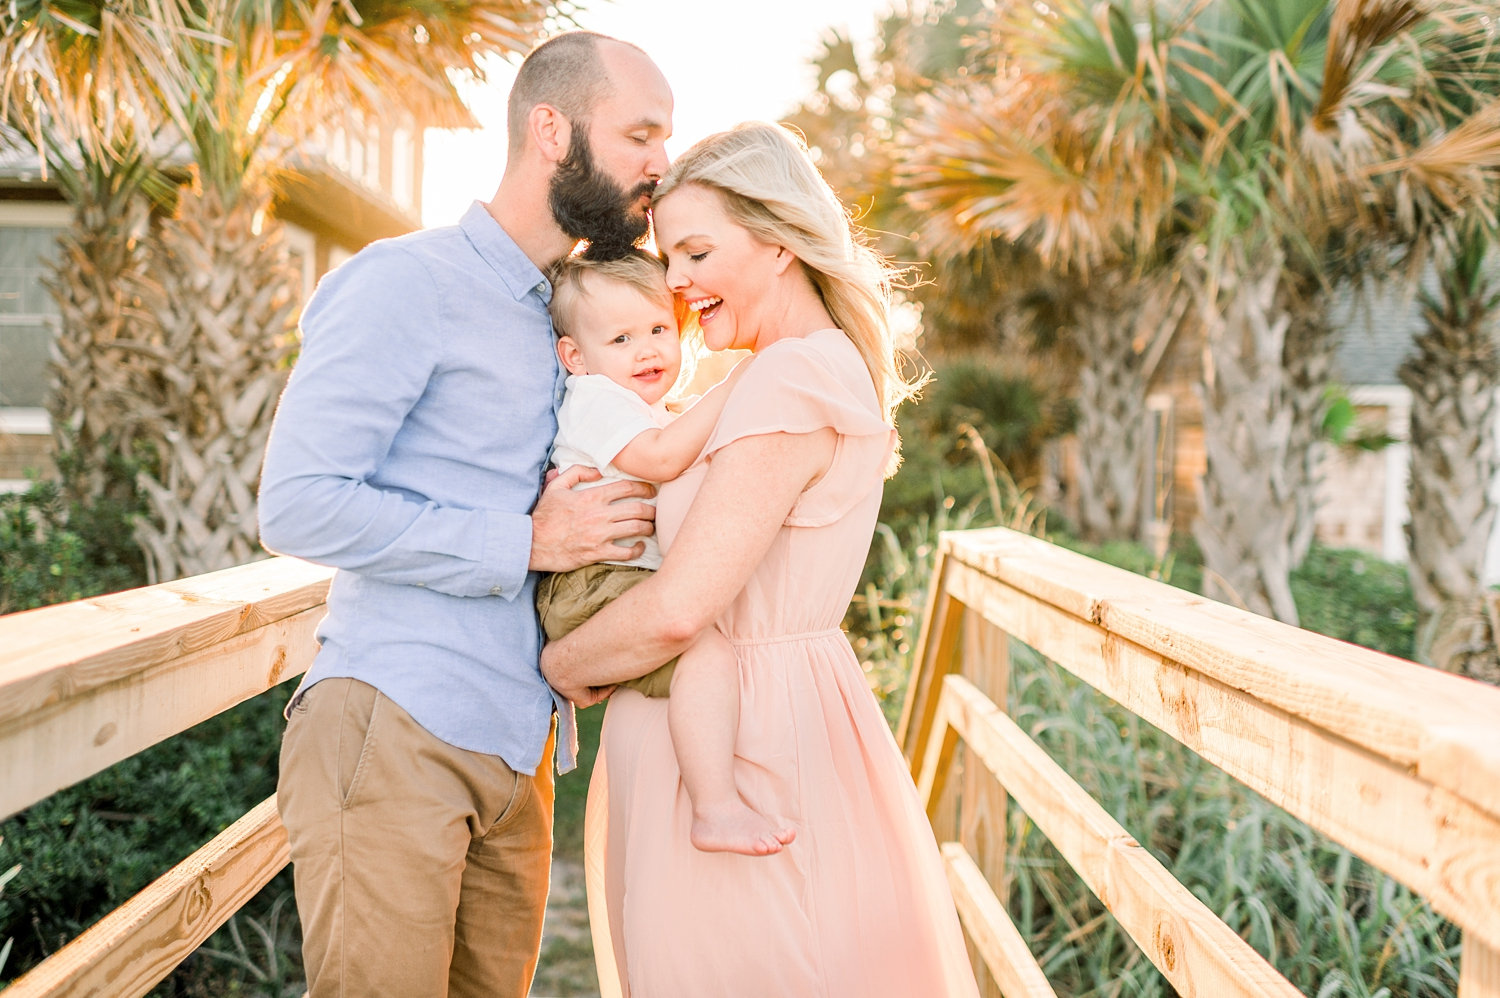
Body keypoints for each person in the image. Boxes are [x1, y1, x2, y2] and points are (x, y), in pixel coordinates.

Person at [256, 31, 671, 998]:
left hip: (519, 746)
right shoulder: (406, 280)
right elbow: (299, 502)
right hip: (396, 724)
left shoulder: (568, 318)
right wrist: (526, 541)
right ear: (551, 130)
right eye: (640, 134)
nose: (662, 163)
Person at [541, 122, 981, 996]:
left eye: (698, 252)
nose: (676, 284)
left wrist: (558, 662)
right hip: (730, 724)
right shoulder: (780, 372)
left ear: (779, 243)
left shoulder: (790, 378)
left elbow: (677, 608)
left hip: (746, 741)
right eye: (670, 259)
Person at [536, 251, 795, 857]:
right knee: (701, 650)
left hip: (611, 576)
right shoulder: (594, 398)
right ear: (576, 356)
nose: (647, 350)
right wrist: (739, 382)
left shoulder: (637, 406)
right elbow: (658, 459)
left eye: (657, 329)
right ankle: (716, 807)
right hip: (590, 581)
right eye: (621, 337)